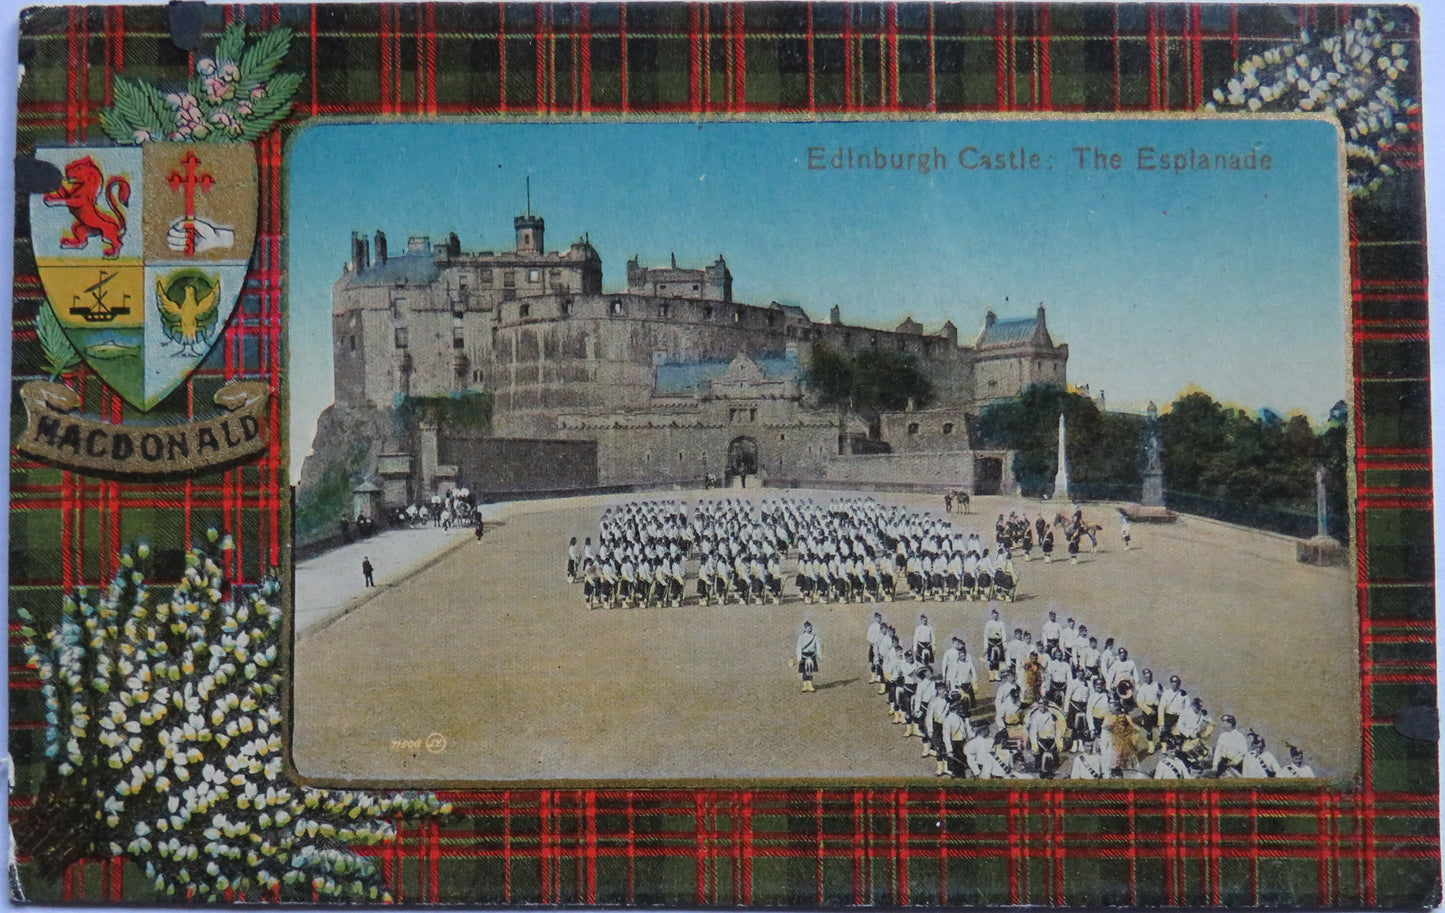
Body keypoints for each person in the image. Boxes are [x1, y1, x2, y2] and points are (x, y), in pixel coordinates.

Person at [796, 621, 821, 692]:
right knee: (804, 671)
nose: (810, 629)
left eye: (811, 628)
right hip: (804, 655)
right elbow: (798, 647)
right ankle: (805, 686)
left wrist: (819, 655)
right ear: (805, 628)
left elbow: (818, 646)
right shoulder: (801, 637)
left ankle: (810, 685)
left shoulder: (814, 637)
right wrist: (799, 658)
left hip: (812, 655)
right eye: (808, 628)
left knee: (810, 671)